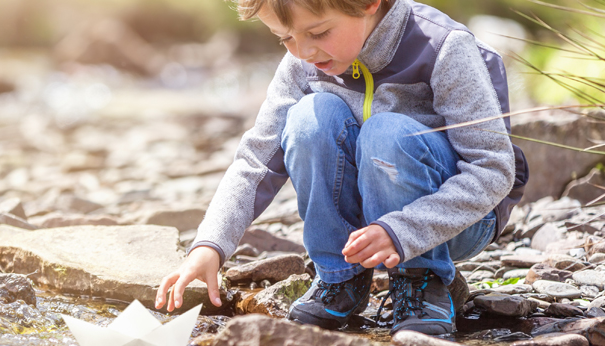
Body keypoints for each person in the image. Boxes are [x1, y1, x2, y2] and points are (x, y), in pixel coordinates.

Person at [154, 0, 529, 335]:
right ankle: (340, 278)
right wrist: (210, 245)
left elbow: (492, 169)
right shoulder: (302, 63)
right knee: (307, 121)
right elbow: (256, 158)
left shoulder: (443, 48)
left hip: (456, 219)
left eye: (318, 32)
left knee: (387, 131)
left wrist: (406, 229)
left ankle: (421, 278)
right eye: (284, 38)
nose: (303, 51)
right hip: (369, 218)